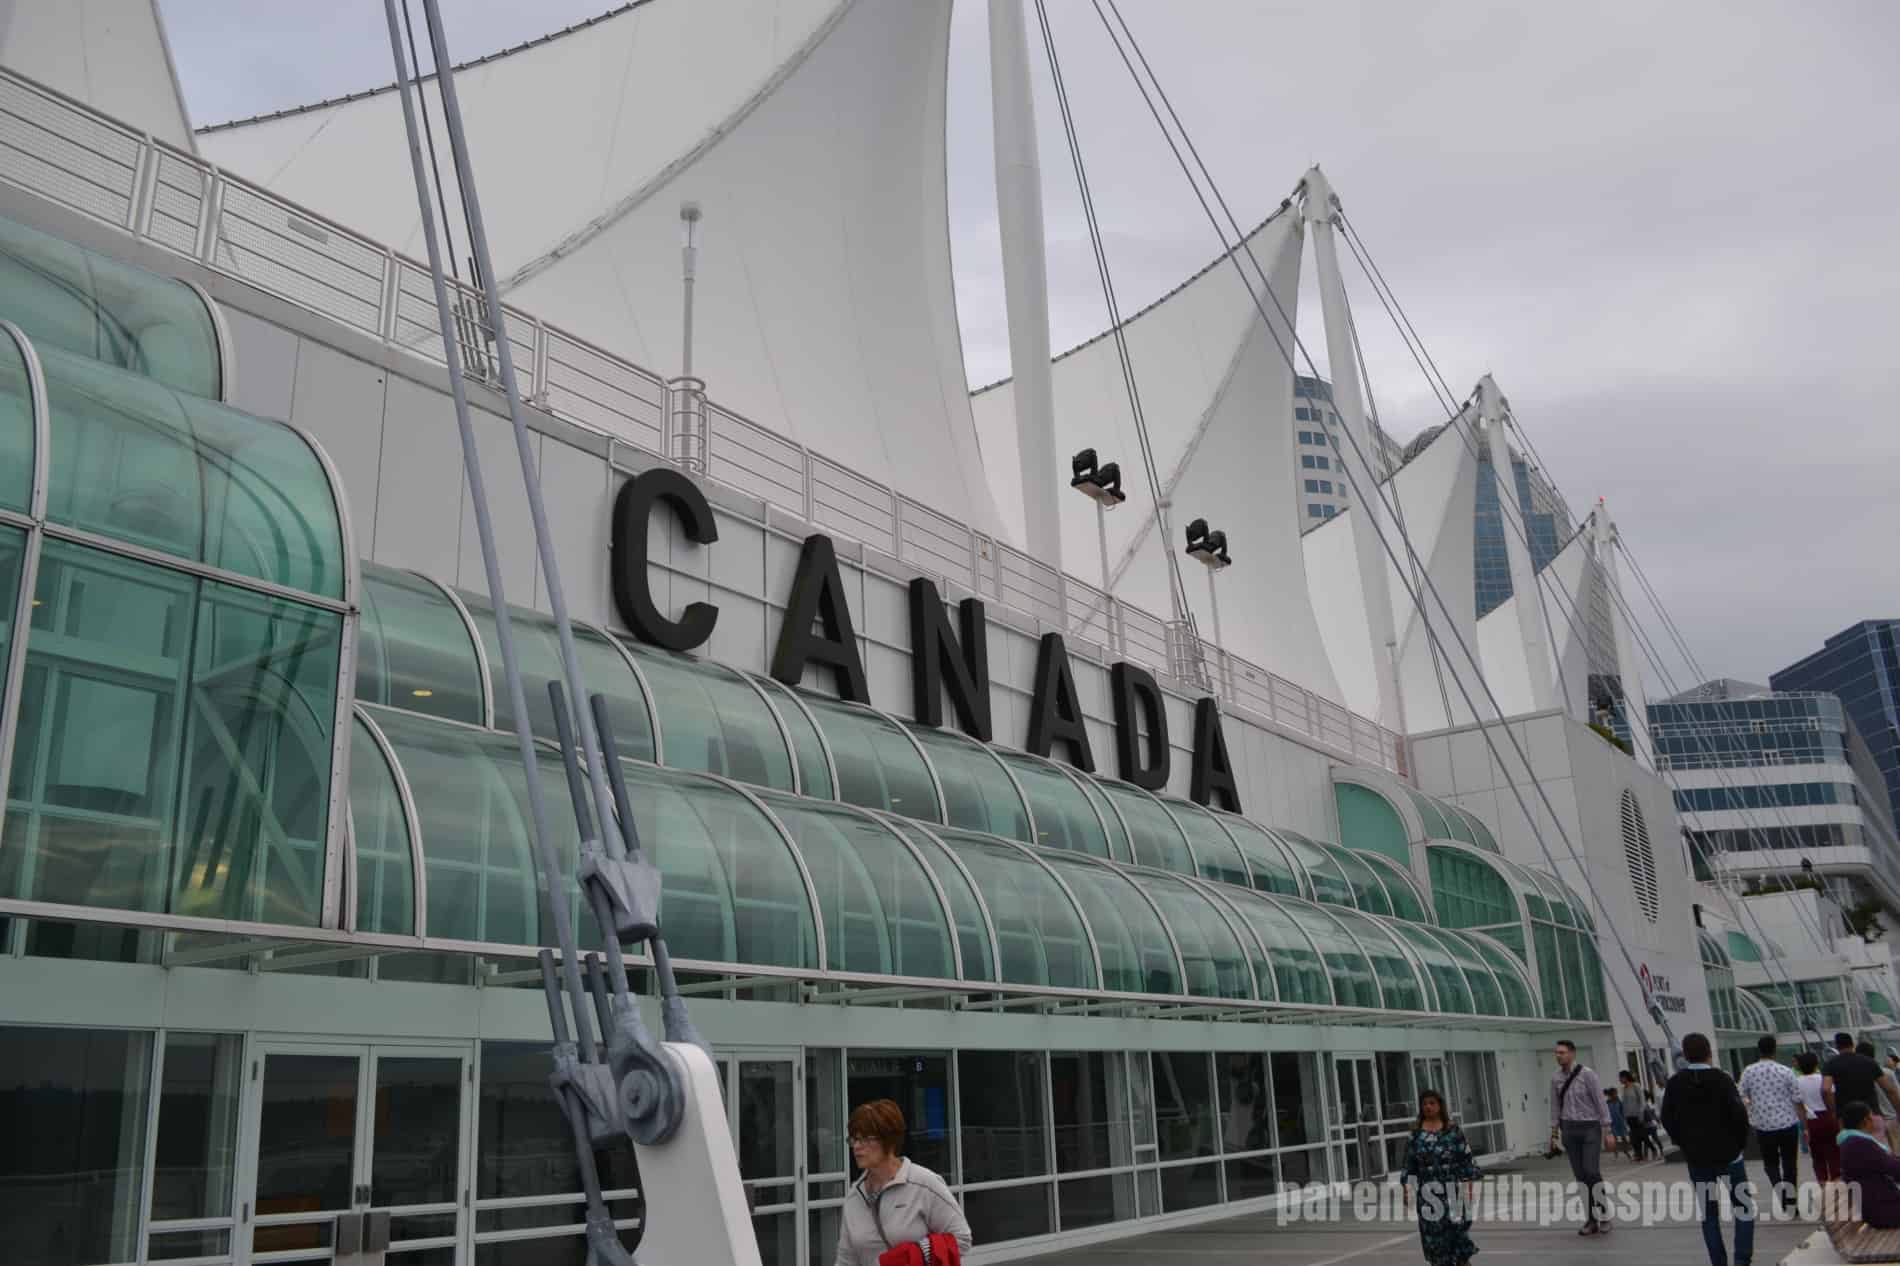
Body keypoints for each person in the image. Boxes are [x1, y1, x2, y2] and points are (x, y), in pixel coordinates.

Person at [835, 1099, 972, 1266]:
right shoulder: (853, 1198)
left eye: (865, 1139)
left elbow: (962, 1238)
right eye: (854, 1139)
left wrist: (906, 1257)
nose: (856, 1146)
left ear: (888, 1140)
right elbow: (846, 1261)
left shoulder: (924, 1182)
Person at [1660, 1032, 1755, 1266]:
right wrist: (1739, 1144)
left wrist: (1683, 1143)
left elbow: (1667, 1118)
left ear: (1684, 1054)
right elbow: (1739, 1115)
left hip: (1697, 1158)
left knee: (1709, 1214)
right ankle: (1742, 1259)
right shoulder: (1722, 1079)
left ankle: (1718, 1261)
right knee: (1743, 1208)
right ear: (1709, 1052)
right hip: (1729, 1155)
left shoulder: (1675, 1083)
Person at [1402, 1089, 1481, 1266]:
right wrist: (1407, 1190)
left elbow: (1466, 1161)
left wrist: (1468, 1189)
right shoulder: (1415, 1135)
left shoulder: (1452, 1131)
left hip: (1454, 1194)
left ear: (1440, 1106)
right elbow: (1409, 1166)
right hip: (1428, 1198)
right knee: (1436, 1246)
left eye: (1432, 1103)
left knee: (1459, 1245)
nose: (1428, 1107)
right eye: (1424, 1104)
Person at [1549, 1038, 1613, 1234]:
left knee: (1591, 1171)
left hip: (1590, 1128)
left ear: (1572, 1053)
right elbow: (1555, 1106)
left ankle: (1604, 1214)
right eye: (1556, 1053)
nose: (1558, 1056)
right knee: (1580, 1176)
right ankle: (1591, 1220)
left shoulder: (1588, 1075)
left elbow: (1600, 1102)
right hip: (1569, 1129)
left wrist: (1608, 1130)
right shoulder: (1555, 1078)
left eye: (1562, 1052)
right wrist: (1554, 1133)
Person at [1737, 1035, 1801, 1214]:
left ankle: (1781, 1194)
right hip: (1788, 1123)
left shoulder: (1749, 1071)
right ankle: (1791, 1201)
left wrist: (1751, 1105)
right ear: (1775, 1049)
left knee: (1770, 1163)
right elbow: (1797, 1098)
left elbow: (1741, 1094)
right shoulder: (1785, 1071)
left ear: (1759, 1050)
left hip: (1763, 1125)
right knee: (1790, 1163)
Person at [1823, 1032, 1900, 1153]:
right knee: (1879, 1152)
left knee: (1854, 1154)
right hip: (1871, 1115)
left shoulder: (1830, 1064)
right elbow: (1890, 1090)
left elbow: (1826, 1089)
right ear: (1852, 1044)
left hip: (1847, 1119)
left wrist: (1833, 1111)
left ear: (1837, 1046)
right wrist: (1898, 1110)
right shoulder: (1869, 1062)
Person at [1838, 1100, 1900, 1227]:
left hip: (1876, 1205)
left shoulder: (1851, 1141)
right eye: (1872, 1116)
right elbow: (1893, 1169)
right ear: (1866, 1120)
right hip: (1883, 1210)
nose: (1875, 1119)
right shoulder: (1860, 1144)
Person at [1795, 1050, 1839, 1183]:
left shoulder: (1796, 1082)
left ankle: (1823, 1186)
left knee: (1817, 1157)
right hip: (1828, 1116)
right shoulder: (1823, 1079)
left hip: (1811, 1120)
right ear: (1816, 1064)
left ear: (1799, 1066)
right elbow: (1831, 1096)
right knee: (1834, 1153)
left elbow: (1799, 1108)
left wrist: (1805, 1128)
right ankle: (1837, 1183)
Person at [1618, 1071, 1650, 1163]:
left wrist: (1641, 1113)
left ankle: (1653, 1150)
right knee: (1634, 1137)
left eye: (1620, 1077)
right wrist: (1624, 1116)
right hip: (1629, 1116)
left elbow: (1642, 1100)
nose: (1619, 1080)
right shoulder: (1624, 1089)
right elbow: (1624, 1104)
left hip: (1638, 1115)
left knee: (1642, 1135)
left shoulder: (1636, 1086)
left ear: (1625, 1077)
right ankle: (1639, 1155)